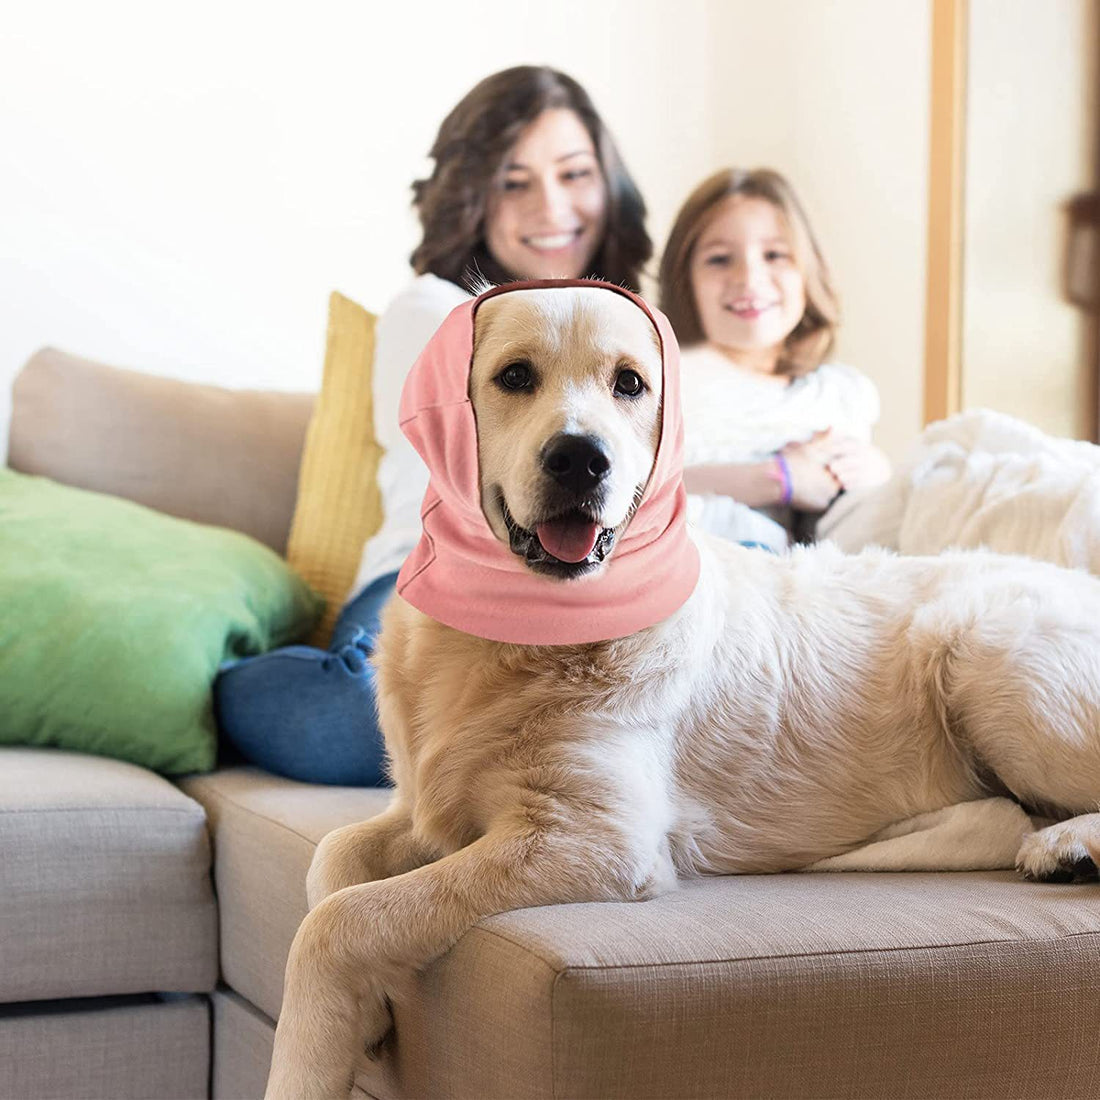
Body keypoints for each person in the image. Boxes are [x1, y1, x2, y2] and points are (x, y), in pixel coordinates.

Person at [214, 66, 652, 785]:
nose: (552, 205)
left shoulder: (635, 332)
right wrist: (775, 473)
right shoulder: (437, 309)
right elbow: (459, 463)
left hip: (580, 578)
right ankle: (234, 678)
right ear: (472, 194)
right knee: (362, 733)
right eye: (515, 181)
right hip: (424, 575)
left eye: (575, 174)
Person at [658, 167, 891, 551]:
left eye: (774, 255)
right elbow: (634, 494)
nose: (749, 277)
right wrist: (776, 478)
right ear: (686, 281)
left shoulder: (836, 393)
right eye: (719, 259)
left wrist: (875, 469)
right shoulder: (667, 382)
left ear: (807, 271)